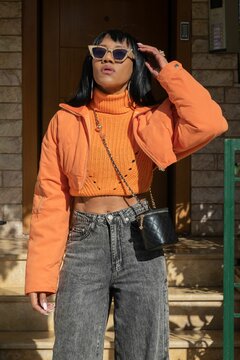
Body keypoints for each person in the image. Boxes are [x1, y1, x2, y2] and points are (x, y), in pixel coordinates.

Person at [25, 29, 228, 360]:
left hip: (139, 240)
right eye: (100, 52)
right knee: (73, 350)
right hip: (84, 242)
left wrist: (168, 72)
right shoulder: (65, 121)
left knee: (144, 350)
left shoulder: (153, 119)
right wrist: (40, 274)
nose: (108, 59)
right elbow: (50, 200)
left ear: (136, 65)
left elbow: (210, 123)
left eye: (120, 54)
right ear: (89, 60)